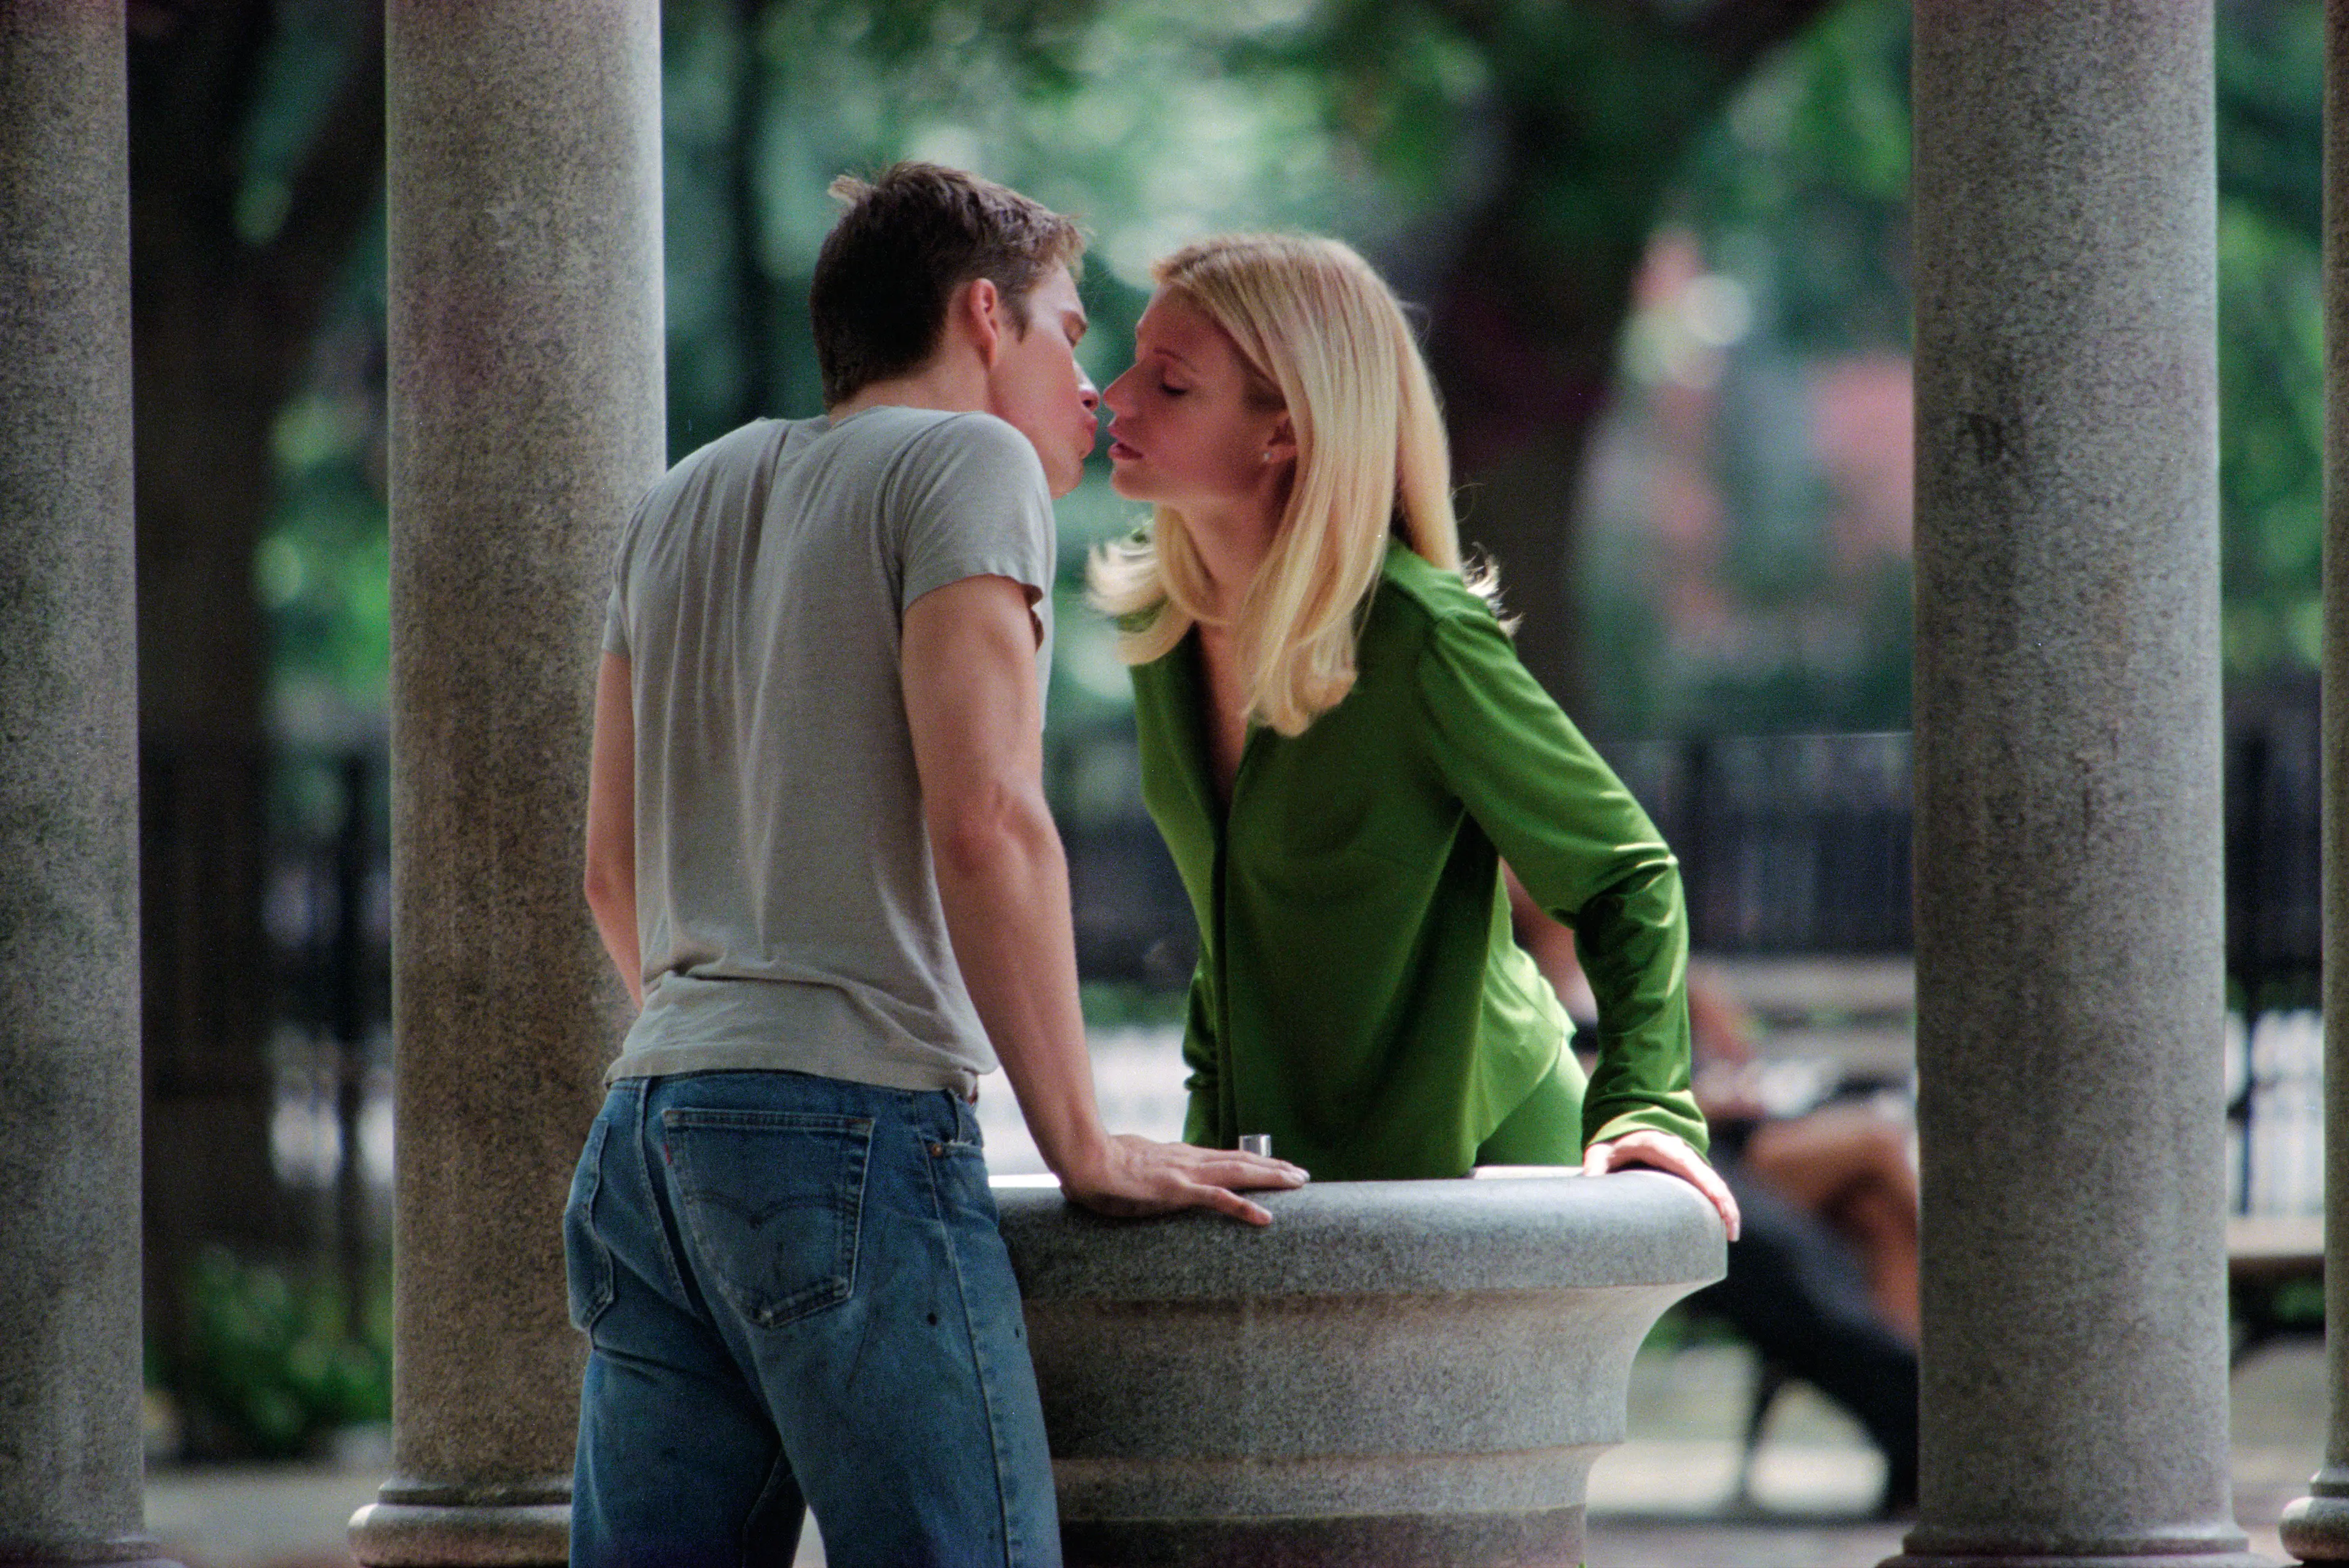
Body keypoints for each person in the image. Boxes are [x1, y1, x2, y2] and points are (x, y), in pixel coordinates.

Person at [572, 165, 1304, 1568]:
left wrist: (724, 1060)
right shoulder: (967, 464)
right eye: (1072, 331)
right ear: (984, 314)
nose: (1091, 383)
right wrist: (1082, 1144)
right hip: (846, 1124)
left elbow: (614, 873)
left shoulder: (680, 497)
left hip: (650, 1136)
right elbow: (990, 818)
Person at [1086, 231, 1737, 1235]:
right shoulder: (1163, 628)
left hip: (1482, 1167)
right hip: (1276, 1174)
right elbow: (1239, 930)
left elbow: (1625, 875)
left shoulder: (1419, 636)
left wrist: (1647, 1105)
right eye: (1135, 359)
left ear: (1285, 432)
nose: (1114, 396)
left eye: (1170, 385)